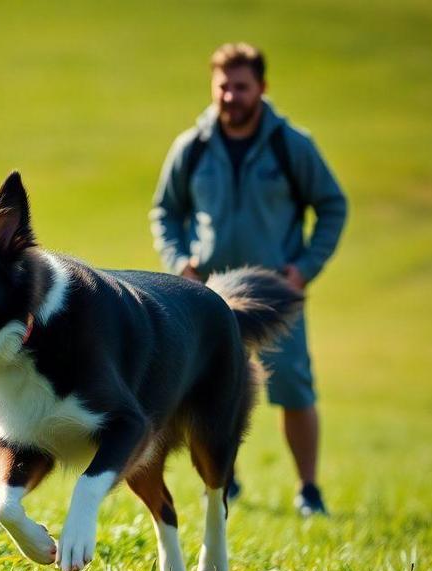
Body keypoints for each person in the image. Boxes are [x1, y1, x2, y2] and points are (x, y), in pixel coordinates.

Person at [149, 43, 347, 516]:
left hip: (275, 296)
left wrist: (303, 270)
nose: (231, 96)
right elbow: (165, 211)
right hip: (208, 300)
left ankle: (308, 491)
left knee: (294, 387)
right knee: (210, 389)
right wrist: (181, 264)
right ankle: (225, 481)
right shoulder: (192, 148)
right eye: (223, 86)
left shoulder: (290, 144)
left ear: (262, 88)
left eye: (241, 87)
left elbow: (332, 205)